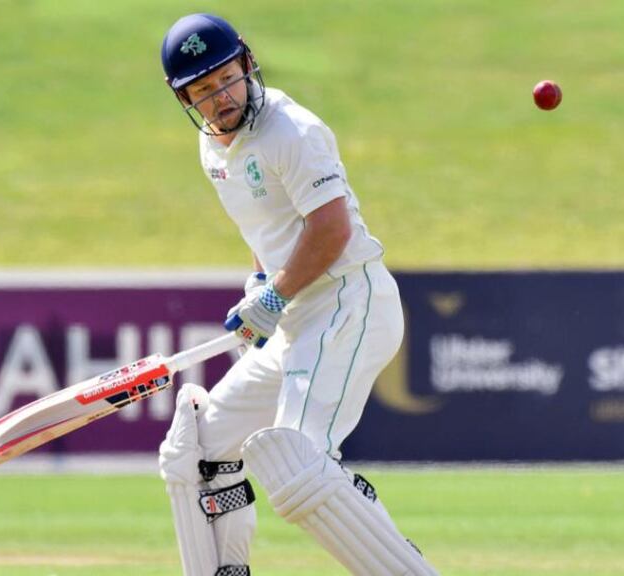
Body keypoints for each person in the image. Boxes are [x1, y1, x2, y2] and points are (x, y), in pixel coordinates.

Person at [157, 13, 439, 576]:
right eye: (202, 90)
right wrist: (260, 284)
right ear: (186, 98)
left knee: (295, 462)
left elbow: (329, 230)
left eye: (225, 78)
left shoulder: (293, 131)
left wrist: (274, 297)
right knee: (197, 451)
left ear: (246, 64)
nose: (219, 97)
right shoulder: (211, 147)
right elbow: (269, 230)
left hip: (346, 303)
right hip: (293, 320)